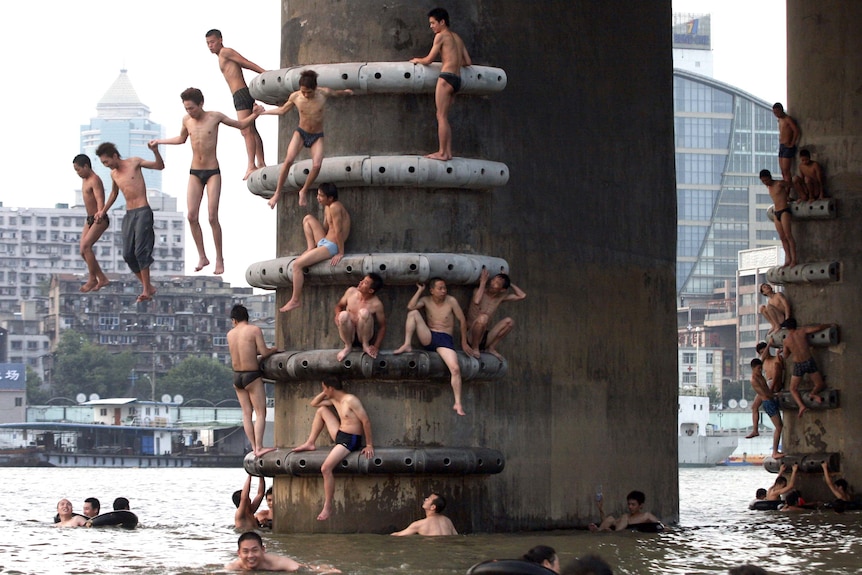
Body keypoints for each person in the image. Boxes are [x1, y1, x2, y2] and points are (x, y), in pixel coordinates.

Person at [151, 88, 264, 276]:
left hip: (212, 172)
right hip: (195, 172)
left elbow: (240, 124)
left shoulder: (215, 117)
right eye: (187, 108)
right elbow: (181, 139)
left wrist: (254, 115)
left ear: (201, 104)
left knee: (212, 216)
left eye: (192, 108)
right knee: (191, 216)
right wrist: (160, 142)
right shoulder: (186, 120)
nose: (189, 112)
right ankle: (203, 256)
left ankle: (219, 258)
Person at [260, 70, 353, 208]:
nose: (305, 95)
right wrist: (264, 112)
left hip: (317, 135)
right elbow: (282, 110)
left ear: (315, 88)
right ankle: (277, 193)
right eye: (303, 91)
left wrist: (346, 92)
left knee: (317, 165)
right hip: (301, 133)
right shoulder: (296, 97)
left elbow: (336, 93)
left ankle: (303, 190)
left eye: (308, 92)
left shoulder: (323, 94)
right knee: (288, 160)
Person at [292, 377, 374, 521]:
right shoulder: (334, 400)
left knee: (326, 468)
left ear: (331, 388)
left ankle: (328, 506)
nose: (323, 391)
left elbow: (365, 420)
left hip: (351, 440)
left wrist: (369, 445)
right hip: (340, 434)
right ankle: (310, 442)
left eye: (324, 388)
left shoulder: (350, 400)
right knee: (322, 410)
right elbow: (314, 403)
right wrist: (325, 392)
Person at [394, 279, 478, 416]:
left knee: (455, 369)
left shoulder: (451, 301)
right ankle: (407, 344)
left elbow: (462, 320)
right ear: (432, 290)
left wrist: (464, 342)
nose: (443, 291)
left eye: (445, 288)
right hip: (429, 335)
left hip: (444, 339)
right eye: (440, 288)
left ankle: (457, 402)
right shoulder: (426, 300)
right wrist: (419, 291)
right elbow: (411, 306)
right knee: (413, 314)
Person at [95, 141, 164, 302]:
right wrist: (103, 211)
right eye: (103, 163)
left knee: (141, 251)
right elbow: (114, 193)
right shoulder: (114, 174)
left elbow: (159, 166)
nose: (106, 165)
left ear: (114, 156)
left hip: (142, 211)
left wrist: (155, 151)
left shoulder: (134, 162)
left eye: (106, 161)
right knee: (127, 254)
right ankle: (149, 287)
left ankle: (146, 289)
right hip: (129, 214)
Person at [410, 7, 472, 161]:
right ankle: (448, 152)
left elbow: (429, 59)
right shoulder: (457, 38)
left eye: (433, 23)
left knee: (441, 116)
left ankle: (442, 153)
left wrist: (417, 60)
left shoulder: (441, 36)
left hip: (446, 78)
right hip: (457, 80)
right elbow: (468, 62)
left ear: (442, 22)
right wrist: (452, 60)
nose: (431, 26)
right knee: (444, 116)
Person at [205, 29, 266, 180]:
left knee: (245, 130)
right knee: (250, 129)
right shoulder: (220, 56)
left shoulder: (225, 52)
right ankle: (261, 162)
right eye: (207, 43)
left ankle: (251, 164)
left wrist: (264, 73)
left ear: (220, 40)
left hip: (241, 93)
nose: (210, 46)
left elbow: (245, 63)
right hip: (238, 95)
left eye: (212, 42)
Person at [280, 183, 351, 312]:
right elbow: (325, 228)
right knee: (307, 219)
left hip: (332, 246)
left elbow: (339, 231)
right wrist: (318, 241)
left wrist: (341, 252)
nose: (318, 198)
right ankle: (311, 247)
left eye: (321, 195)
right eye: (318, 194)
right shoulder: (327, 207)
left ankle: (295, 300)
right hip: (325, 241)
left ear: (330, 198)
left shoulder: (335, 207)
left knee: (297, 265)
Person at [227, 304, 278, 456]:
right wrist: (273, 350)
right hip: (252, 375)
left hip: (237, 376)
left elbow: (243, 350)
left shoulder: (230, 334)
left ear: (234, 320)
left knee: (246, 414)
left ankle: (253, 447)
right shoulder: (254, 330)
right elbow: (263, 352)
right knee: (260, 412)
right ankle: (260, 447)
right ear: (246, 318)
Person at [466, 268, 527, 360]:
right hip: (471, 335)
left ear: (502, 289)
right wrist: (483, 282)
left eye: (497, 283)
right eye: (493, 280)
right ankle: (475, 348)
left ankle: (491, 347)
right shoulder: (479, 291)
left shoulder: (500, 297)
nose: (492, 283)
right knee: (483, 318)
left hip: (484, 337)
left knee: (509, 322)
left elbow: (522, 296)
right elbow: (477, 301)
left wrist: (509, 283)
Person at [73, 154, 110, 293]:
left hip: (99, 218)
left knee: (86, 246)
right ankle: (102, 277)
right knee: (82, 250)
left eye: (78, 169)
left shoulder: (95, 180)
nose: (77, 173)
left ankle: (92, 278)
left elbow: (100, 198)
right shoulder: (85, 179)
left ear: (86, 166)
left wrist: (100, 212)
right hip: (89, 219)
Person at [782, 318, 831, 417]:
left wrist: (785, 350)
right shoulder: (802, 331)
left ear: (787, 328)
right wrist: (829, 325)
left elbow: (786, 355)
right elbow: (818, 328)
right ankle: (813, 393)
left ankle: (801, 406)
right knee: (819, 384)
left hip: (798, 364)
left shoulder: (786, 340)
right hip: (809, 361)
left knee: (793, 388)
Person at [225, 531, 341, 572]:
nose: (250, 556)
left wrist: (327, 571)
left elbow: (302, 568)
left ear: (263, 550)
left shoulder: (276, 563)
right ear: (239, 553)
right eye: (245, 551)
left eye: (255, 550)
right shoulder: (233, 567)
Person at [334, 273, 387, 362]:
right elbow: (339, 306)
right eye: (362, 280)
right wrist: (337, 314)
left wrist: (376, 346)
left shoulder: (376, 304)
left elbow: (383, 327)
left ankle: (365, 346)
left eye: (365, 282)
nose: (360, 282)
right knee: (343, 315)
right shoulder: (351, 292)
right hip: (348, 332)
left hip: (364, 335)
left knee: (364, 313)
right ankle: (347, 346)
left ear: (370, 291)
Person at [746, 341, 784, 439]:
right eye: (762, 352)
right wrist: (769, 345)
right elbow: (762, 357)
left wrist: (770, 345)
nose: (764, 353)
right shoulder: (760, 365)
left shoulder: (775, 359)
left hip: (772, 384)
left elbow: (778, 373)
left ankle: (755, 430)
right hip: (767, 385)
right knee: (754, 407)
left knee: (779, 426)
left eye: (765, 351)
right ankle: (755, 430)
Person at [760, 169, 797, 268]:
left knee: (788, 235)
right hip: (776, 212)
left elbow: (792, 185)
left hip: (784, 210)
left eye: (766, 180)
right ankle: (788, 259)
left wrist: (790, 196)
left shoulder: (779, 183)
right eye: (763, 181)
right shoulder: (769, 187)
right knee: (782, 237)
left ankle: (794, 259)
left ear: (770, 177)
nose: (765, 183)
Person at [748, 358, 784, 459]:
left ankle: (755, 431)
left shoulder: (761, 377)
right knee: (779, 427)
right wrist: (776, 395)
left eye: (761, 368)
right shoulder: (754, 380)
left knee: (780, 426)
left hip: (770, 400)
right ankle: (775, 452)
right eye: (758, 369)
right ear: (753, 368)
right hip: (768, 403)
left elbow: (767, 390)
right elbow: (765, 394)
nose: (760, 370)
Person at [589, 490, 659, 531]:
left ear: (640, 505)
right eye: (629, 504)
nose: (630, 507)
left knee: (624, 517)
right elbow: (606, 521)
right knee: (610, 518)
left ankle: (613, 534)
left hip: (623, 534)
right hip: (619, 530)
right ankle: (598, 531)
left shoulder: (646, 516)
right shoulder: (625, 517)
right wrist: (600, 509)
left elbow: (660, 525)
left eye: (633, 505)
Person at [391, 493, 458, 536]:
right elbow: (456, 537)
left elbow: (399, 535)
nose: (426, 499)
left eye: (429, 499)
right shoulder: (447, 521)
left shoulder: (420, 524)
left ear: (433, 507)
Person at [772, 102, 800, 182]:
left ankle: (789, 191)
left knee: (786, 170)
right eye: (774, 113)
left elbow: (796, 131)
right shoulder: (780, 120)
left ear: (781, 110)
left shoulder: (788, 119)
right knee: (783, 171)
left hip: (788, 146)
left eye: (777, 112)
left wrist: (792, 143)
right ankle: (787, 188)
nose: (776, 114)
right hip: (782, 145)